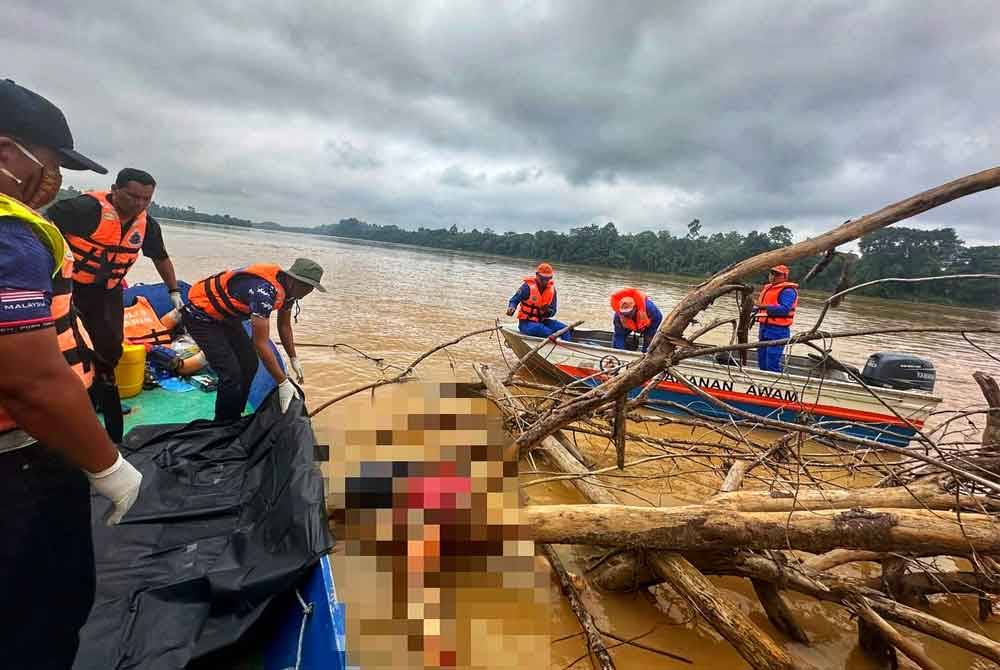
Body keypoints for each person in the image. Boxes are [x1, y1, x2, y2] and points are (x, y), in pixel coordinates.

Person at [0, 79, 142, 669]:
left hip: (94, 306)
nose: (56, 180)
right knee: (43, 608)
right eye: (52, 163)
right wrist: (108, 467)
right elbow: (29, 381)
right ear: (8, 153)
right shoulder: (12, 235)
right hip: (20, 460)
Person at [48, 168, 181, 442]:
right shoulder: (84, 209)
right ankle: (71, 400)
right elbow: (41, 228)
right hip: (68, 286)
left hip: (106, 291)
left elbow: (161, 257)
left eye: (146, 199)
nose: (139, 204)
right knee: (67, 345)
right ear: (114, 189)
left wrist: (174, 290)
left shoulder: (147, 225)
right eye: (133, 196)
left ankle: (101, 393)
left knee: (111, 346)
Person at [182, 259, 325, 421]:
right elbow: (260, 343)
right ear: (292, 279)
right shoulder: (263, 292)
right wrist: (282, 382)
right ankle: (222, 424)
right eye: (305, 285)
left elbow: (284, 325)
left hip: (227, 318)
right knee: (231, 373)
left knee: (250, 364)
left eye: (312, 287)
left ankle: (235, 414)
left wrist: (293, 357)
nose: (308, 291)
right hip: (201, 317)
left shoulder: (290, 293)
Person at [506, 262, 572, 340]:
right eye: (542, 279)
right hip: (526, 323)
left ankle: (566, 349)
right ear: (537, 275)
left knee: (565, 330)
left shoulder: (552, 290)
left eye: (548, 279)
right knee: (545, 332)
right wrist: (511, 308)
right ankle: (554, 342)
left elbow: (553, 312)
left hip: (542, 321)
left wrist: (547, 311)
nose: (545, 282)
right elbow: (514, 300)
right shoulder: (527, 287)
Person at [755, 264, 799, 372]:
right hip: (764, 328)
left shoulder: (788, 291)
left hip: (778, 330)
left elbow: (784, 309)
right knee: (762, 361)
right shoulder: (768, 288)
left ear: (784, 277)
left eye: (777, 274)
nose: (773, 276)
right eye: (772, 273)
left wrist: (762, 306)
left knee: (771, 362)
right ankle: (762, 383)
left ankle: (775, 384)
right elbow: (760, 308)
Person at [610, 288, 663, 352]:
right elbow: (619, 336)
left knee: (649, 339)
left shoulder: (650, 309)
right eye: (624, 313)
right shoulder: (618, 316)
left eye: (629, 312)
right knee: (617, 339)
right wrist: (620, 352)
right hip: (628, 326)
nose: (627, 315)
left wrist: (645, 352)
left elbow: (658, 317)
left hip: (648, 323)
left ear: (635, 307)